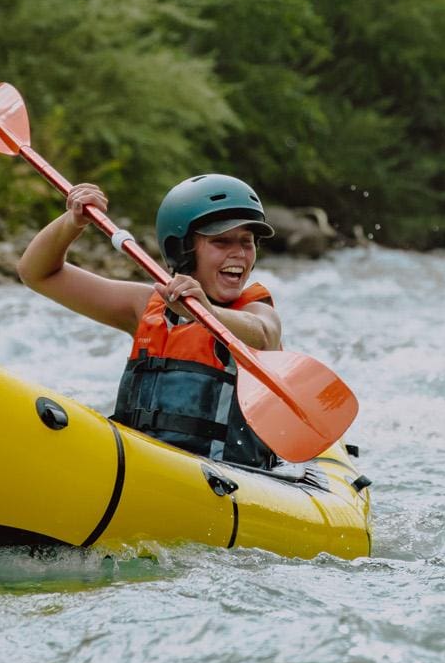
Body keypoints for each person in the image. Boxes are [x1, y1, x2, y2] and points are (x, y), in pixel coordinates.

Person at [17, 172, 282, 469]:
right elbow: (38, 273)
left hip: (228, 478)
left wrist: (206, 312)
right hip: (146, 468)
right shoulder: (143, 306)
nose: (239, 254)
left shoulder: (257, 313)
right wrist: (72, 223)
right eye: (221, 242)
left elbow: (262, 335)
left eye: (247, 242)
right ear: (182, 250)